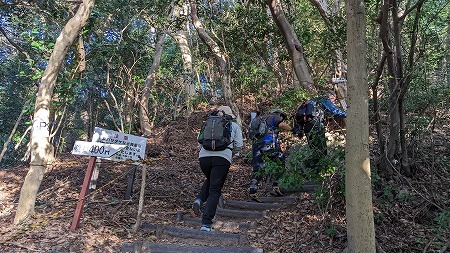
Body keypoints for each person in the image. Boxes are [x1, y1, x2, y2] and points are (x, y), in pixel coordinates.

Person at [193, 105, 243, 231]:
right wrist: (233, 152)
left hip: (203, 158)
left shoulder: (208, 123)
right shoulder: (233, 126)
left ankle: (199, 199)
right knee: (215, 190)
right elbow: (239, 145)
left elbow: (199, 141)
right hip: (222, 158)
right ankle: (206, 223)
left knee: (211, 180)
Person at [292, 91, 346, 169]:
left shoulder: (311, 101)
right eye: (333, 99)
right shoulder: (324, 99)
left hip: (307, 127)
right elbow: (333, 110)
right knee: (321, 149)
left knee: (314, 149)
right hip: (316, 125)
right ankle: (320, 169)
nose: (333, 101)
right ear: (330, 95)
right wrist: (347, 114)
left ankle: (311, 169)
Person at [248, 109, 292, 202]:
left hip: (256, 146)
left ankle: (253, 190)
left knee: (258, 168)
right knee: (281, 162)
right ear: (280, 115)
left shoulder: (261, 118)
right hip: (267, 145)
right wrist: (293, 129)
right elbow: (282, 125)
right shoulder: (275, 117)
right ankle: (275, 186)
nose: (282, 119)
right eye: (282, 117)